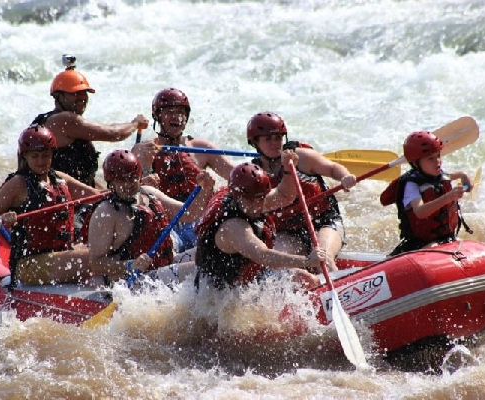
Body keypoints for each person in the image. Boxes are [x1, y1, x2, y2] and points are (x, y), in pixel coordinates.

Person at [0, 125, 117, 286]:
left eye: (45, 155)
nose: (41, 161)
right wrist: (4, 218)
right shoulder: (17, 184)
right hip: (29, 265)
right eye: (35, 156)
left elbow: (96, 196)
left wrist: (128, 188)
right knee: (95, 257)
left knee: (110, 248)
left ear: (52, 154)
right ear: (25, 156)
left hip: (62, 253)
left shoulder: (59, 179)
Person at [245, 111, 356, 272]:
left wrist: (345, 177)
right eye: (268, 139)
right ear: (255, 142)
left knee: (323, 259)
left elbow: (332, 168)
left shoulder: (301, 157)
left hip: (323, 221)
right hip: (287, 232)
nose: (274, 143)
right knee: (280, 266)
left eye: (278, 138)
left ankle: (341, 291)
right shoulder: (255, 173)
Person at [87, 149, 216, 283]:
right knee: (204, 268)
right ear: (111, 183)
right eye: (121, 180)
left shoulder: (149, 193)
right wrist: (130, 265)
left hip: (166, 264)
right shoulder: (106, 213)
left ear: (139, 175)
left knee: (215, 254)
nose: (128, 184)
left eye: (133, 177)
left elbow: (190, 214)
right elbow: (96, 264)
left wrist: (205, 189)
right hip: (134, 279)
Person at [131, 87, 235, 252]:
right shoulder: (142, 150)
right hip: (167, 223)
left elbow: (237, 175)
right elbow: (133, 193)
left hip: (199, 220)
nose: (176, 117)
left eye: (180, 111)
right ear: (157, 116)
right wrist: (145, 166)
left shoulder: (201, 148)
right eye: (169, 112)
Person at [195, 159, 325, 290]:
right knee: (305, 279)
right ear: (236, 197)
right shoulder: (233, 227)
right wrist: (307, 260)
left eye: (261, 199)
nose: (257, 206)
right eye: (252, 201)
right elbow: (264, 256)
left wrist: (287, 169)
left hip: (247, 279)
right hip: (221, 293)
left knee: (306, 279)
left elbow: (284, 196)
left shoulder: (249, 200)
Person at [31, 55, 149, 188]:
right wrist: (135, 124)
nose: (82, 97)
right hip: (57, 199)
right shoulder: (65, 120)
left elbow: (87, 180)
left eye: (84, 92)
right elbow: (113, 133)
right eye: (75, 93)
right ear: (58, 96)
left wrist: (105, 193)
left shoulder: (60, 122)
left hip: (74, 193)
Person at [379, 131, 473, 256]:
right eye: (431, 159)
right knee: (432, 247)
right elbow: (420, 211)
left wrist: (463, 176)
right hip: (418, 243)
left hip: (446, 238)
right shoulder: (411, 185)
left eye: (438, 156)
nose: (437, 161)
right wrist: (448, 197)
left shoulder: (439, 174)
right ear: (416, 163)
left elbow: (449, 177)